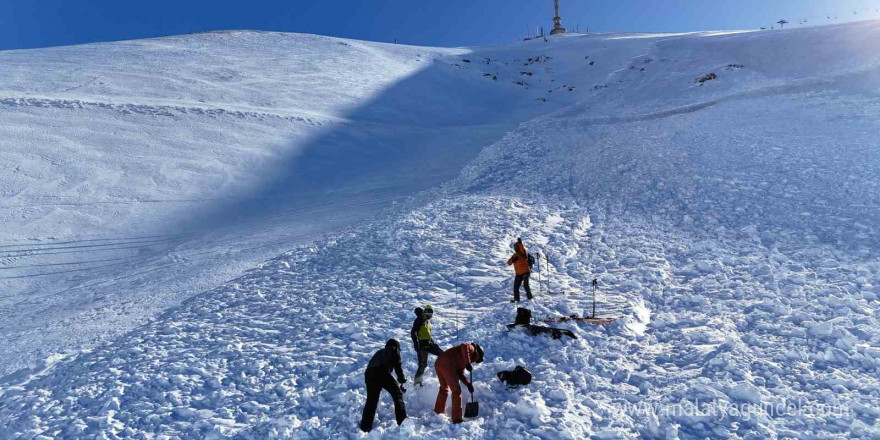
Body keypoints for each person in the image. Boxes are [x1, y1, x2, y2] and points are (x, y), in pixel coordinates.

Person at [360, 339, 407, 432]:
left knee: (371, 400)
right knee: (397, 394)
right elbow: (397, 365)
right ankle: (403, 422)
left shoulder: (380, 352)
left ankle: (365, 427)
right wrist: (401, 379)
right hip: (381, 371)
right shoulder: (393, 349)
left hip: (369, 374)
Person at [433, 342, 484, 424]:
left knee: (443, 388)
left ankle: (438, 411)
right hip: (448, 364)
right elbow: (464, 346)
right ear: (478, 355)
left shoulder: (464, 357)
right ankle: (457, 419)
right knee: (456, 391)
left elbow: (459, 373)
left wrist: (468, 384)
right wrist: (468, 363)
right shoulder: (472, 349)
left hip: (439, 362)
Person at [411, 305, 443, 386]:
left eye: (431, 313)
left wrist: (432, 342)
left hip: (429, 343)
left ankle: (448, 372)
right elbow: (413, 332)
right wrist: (416, 343)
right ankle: (417, 382)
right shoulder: (420, 319)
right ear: (425, 312)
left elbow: (427, 334)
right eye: (428, 313)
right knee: (423, 363)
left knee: (443, 355)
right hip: (421, 345)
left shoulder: (427, 321)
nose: (430, 315)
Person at [506, 238, 533, 302]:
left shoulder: (522, 253)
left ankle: (530, 298)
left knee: (526, 285)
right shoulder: (514, 255)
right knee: (516, 287)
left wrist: (520, 243)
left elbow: (522, 248)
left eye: (516, 247)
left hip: (526, 272)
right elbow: (509, 263)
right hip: (518, 274)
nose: (515, 248)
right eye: (514, 247)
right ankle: (516, 300)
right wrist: (513, 260)